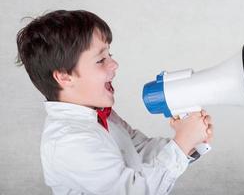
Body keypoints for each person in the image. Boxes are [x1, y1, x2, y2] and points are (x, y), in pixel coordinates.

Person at [16, 10, 213, 195]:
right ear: (65, 77)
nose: (114, 64)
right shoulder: (70, 141)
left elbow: (140, 152)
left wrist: (190, 141)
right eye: (100, 60)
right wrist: (182, 143)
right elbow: (135, 189)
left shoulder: (102, 115)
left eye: (110, 55)